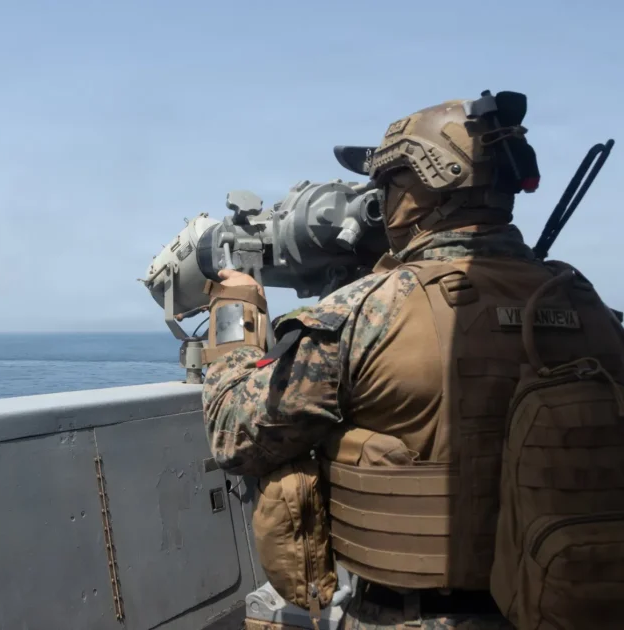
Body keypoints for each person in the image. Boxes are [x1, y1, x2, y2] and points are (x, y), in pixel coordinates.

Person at [201, 92, 624, 629]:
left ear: (418, 190)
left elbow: (236, 436)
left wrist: (234, 318)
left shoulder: (368, 312)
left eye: (388, 184)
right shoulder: (587, 307)